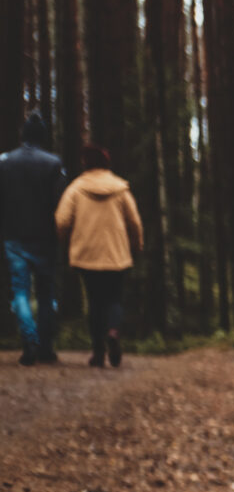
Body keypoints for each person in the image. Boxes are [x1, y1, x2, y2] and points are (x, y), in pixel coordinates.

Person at [55, 144, 143, 370]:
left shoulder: (76, 189)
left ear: (85, 163)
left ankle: (97, 352)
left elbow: (62, 220)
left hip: (87, 255)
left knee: (95, 302)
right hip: (116, 255)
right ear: (107, 163)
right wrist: (137, 245)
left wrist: (65, 242)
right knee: (114, 298)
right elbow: (134, 222)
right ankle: (113, 331)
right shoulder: (121, 188)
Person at [2, 113, 67, 365]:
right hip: (45, 238)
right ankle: (45, 347)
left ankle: (29, 341)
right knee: (46, 291)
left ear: (23, 135)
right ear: (43, 137)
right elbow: (60, 203)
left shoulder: (4, 162)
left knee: (20, 291)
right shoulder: (53, 163)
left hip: (14, 236)